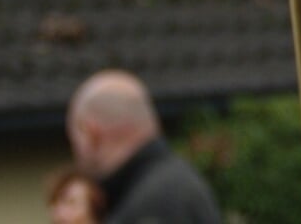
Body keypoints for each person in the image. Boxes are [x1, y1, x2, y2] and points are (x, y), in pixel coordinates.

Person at [67, 70, 222, 224]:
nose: (76, 155)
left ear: (92, 134)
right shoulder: (172, 185)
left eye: (73, 141)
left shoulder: (152, 205)